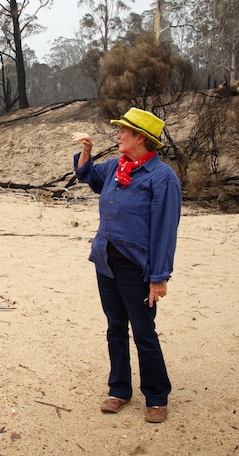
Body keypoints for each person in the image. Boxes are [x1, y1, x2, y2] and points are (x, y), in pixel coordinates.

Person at [71, 107, 181, 424]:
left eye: (124, 131)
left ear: (141, 138)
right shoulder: (118, 167)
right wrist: (87, 151)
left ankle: (157, 398)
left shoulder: (162, 178)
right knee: (115, 328)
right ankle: (119, 390)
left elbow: (164, 231)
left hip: (137, 268)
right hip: (106, 261)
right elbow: (86, 175)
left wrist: (159, 278)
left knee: (144, 332)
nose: (118, 135)